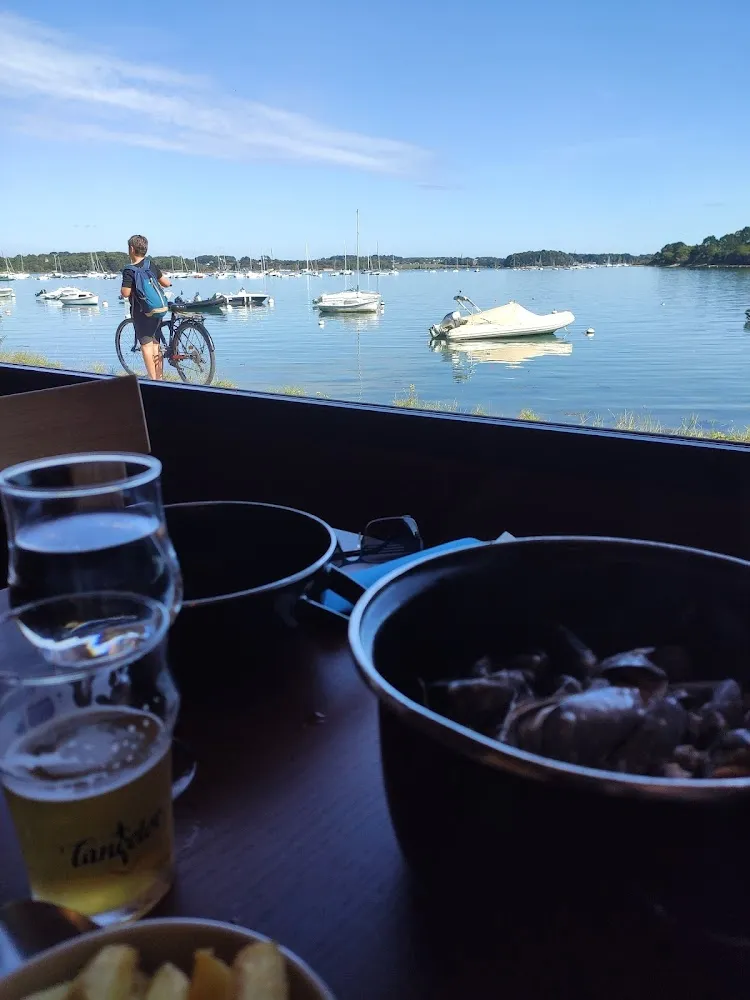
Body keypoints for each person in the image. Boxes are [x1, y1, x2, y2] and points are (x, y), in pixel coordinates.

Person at [120, 235, 171, 380]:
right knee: (156, 344)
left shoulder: (129, 270)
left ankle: (152, 379)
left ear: (131, 249)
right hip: (157, 311)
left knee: (146, 346)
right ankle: (159, 377)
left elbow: (125, 293)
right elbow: (165, 283)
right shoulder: (150, 264)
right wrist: (170, 284)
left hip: (141, 312)